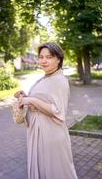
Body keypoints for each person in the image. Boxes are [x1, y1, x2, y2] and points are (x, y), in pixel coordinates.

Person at [14, 42, 78, 179]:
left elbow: (58, 112)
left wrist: (32, 100)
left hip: (50, 135)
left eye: (49, 57)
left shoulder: (59, 80)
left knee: (55, 172)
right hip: (38, 132)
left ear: (58, 59)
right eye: (41, 57)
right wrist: (25, 97)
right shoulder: (46, 77)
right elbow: (43, 101)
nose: (43, 61)